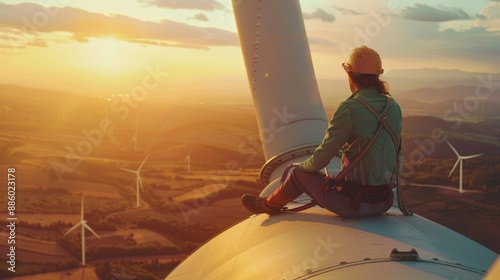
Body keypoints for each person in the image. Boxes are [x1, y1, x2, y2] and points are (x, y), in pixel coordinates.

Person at [242, 45, 402, 218]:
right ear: (377, 75)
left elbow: (322, 158)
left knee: (298, 175)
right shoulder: (392, 106)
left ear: (350, 75)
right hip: (384, 201)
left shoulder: (350, 109)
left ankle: (267, 205)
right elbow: (397, 155)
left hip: (356, 204)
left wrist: (301, 166)